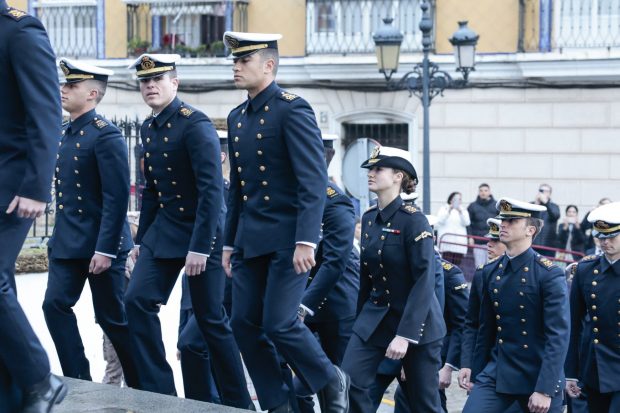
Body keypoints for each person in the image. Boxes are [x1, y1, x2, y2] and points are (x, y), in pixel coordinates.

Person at [221, 32, 349, 413]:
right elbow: (238, 190)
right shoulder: (236, 117)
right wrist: (229, 243)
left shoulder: (293, 109)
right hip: (249, 241)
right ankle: (278, 404)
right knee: (243, 324)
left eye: (244, 61)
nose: (236, 66)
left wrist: (307, 241)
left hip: (287, 242)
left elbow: (313, 181)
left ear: (269, 65)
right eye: (235, 61)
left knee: (279, 323)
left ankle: (330, 378)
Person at [123, 54, 250, 408]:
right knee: (136, 301)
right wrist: (139, 241)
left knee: (210, 320)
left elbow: (212, 193)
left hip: (202, 233)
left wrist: (201, 247)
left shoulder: (195, 124)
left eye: (157, 80)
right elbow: (151, 191)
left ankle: (239, 403)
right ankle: (160, 394)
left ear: (174, 83)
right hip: (164, 234)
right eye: (144, 81)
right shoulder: (148, 128)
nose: (150, 86)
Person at [42, 58, 138, 388]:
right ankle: (79, 379)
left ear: (93, 93)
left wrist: (106, 250)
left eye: (72, 85)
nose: (63, 89)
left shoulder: (106, 135)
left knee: (113, 321)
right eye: (65, 84)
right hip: (69, 243)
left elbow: (115, 199)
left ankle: (142, 385)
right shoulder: (65, 134)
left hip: (102, 246)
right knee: (53, 305)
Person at [341, 145, 446, 413]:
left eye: (379, 168)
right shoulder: (368, 219)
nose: (371, 173)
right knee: (349, 382)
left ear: (398, 176)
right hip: (376, 318)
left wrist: (405, 335)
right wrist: (358, 323)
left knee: (423, 403)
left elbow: (424, 280)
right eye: (370, 168)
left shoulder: (415, 221)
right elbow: (367, 277)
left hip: (417, 325)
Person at [0, 3, 67, 411]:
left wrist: (38, 187)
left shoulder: (19, 33)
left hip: (11, 185)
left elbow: (45, 113)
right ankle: (13, 394)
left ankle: (41, 379)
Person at [462, 197, 570, 413]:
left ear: (530, 230)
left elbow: (557, 335)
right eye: (503, 220)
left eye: (511, 221)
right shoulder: (491, 271)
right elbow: (484, 327)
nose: (503, 225)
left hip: (538, 373)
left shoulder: (548, 274)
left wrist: (545, 389)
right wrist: (473, 368)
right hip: (499, 371)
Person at [294, 135, 359, 413]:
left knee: (340, 388)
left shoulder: (336, 201)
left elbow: (334, 261)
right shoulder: (295, 195)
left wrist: (305, 304)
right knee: (300, 386)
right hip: (301, 304)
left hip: (335, 307)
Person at [565, 201, 620, 412]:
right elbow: (574, 323)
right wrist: (571, 372)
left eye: (612, 236)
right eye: (601, 237)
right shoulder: (586, 270)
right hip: (595, 367)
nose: (605, 242)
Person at [436, 192, 471, 266]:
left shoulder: (463, 210)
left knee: (456, 267)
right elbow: (440, 220)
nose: (458, 201)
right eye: (455, 199)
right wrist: (449, 210)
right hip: (446, 244)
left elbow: (467, 222)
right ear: (451, 199)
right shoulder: (444, 208)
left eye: (460, 199)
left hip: (459, 245)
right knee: (446, 266)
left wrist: (460, 212)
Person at [468, 183, 497, 268]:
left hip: (493, 242)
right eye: (481, 191)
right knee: (480, 267)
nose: (483, 193)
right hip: (478, 242)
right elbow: (468, 223)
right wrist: (470, 237)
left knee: (492, 266)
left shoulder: (496, 205)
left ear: (489, 192)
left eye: (485, 190)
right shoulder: (472, 206)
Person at [532, 184, 560, 257]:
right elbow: (527, 219)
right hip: (532, 243)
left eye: (545, 191)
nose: (542, 193)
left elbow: (555, 216)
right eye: (541, 190)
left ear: (550, 193)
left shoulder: (554, 206)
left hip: (548, 245)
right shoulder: (532, 205)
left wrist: (546, 203)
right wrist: (535, 205)